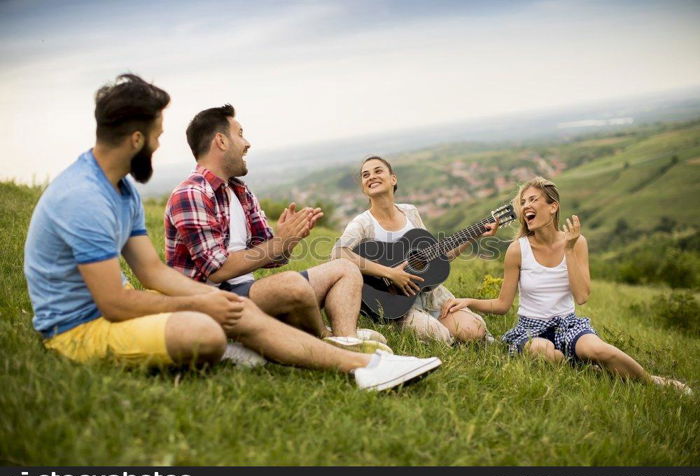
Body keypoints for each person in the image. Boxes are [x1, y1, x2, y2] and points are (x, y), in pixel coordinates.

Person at [23, 74, 441, 391]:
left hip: (174, 299)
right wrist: (210, 303)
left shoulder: (123, 191)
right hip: (76, 330)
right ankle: (301, 350)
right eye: (155, 135)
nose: (158, 142)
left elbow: (151, 273)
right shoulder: (85, 198)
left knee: (230, 310)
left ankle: (362, 366)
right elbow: (114, 302)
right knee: (208, 327)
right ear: (136, 138)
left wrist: (272, 253)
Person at [165, 105, 391, 356]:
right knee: (292, 284)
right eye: (240, 134)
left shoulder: (240, 191)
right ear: (221, 141)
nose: (247, 143)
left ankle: (346, 339)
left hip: (246, 295)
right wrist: (278, 242)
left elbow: (270, 254)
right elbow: (218, 270)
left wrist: (288, 240)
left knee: (346, 269)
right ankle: (326, 340)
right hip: (210, 304)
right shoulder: (191, 193)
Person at [440, 176, 691, 393]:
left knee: (602, 351)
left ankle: (654, 382)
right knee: (543, 351)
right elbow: (503, 304)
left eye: (533, 199)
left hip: (568, 323)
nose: (526, 205)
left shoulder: (577, 242)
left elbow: (582, 296)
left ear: (553, 207)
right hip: (530, 329)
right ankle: (591, 372)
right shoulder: (517, 250)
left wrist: (569, 249)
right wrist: (469, 301)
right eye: (523, 202)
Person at [331, 155, 498, 345]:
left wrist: (475, 234)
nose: (371, 177)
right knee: (438, 335)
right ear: (363, 187)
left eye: (378, 171)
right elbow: (338, 253)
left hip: (430, 296)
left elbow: (437, 256)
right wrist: (390, 273)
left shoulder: (410, 212)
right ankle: (449, 340)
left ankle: (463, 338)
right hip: (396, 304)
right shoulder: (363, 223)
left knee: (474, 330)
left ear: (393, 179)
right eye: (365, 175)